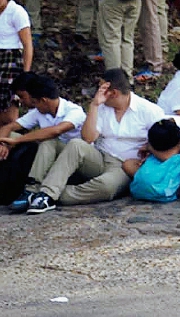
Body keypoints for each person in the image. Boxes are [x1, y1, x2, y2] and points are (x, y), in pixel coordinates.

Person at [20, 70, 165, 213]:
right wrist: (94, 106)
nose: (98, 92)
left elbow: (165, 140)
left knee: (107, 187)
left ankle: (50, 194)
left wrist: (148, 149)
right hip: (99, 157)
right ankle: (43, 193)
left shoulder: (149, 110)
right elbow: (88, 138)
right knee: (73, 144)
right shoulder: (102, 107)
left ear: (113, 93)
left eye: (101, 88)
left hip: (123, 165)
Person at [2, 75, 86, 212]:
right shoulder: (40, 111)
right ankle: (31, 190)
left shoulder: (74, 111)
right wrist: (3, 144)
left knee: (48, 139)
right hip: (55, 162)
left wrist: (16, 141)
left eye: (35, 103)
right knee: (37, 140)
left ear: (44, 100)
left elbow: (55, 131)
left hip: (77, 162)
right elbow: (9, 127)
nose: (33, 106)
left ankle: (47, 193)